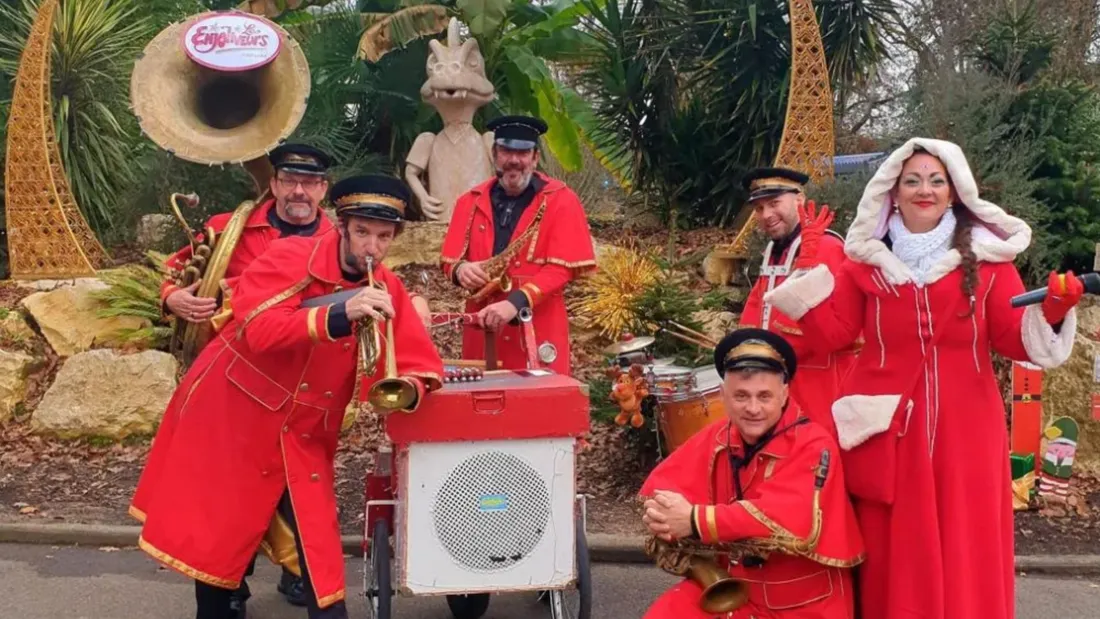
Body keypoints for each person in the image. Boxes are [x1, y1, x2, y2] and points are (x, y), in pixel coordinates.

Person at [762, 138, 1083, 619]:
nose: (924, 190)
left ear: (954, 192)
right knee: (892, 550)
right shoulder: (864, 263)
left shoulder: (989, 261)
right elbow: (835, 334)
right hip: (885, 434)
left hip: (966, 433)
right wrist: (803, 292)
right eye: (912, 180)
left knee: (965, 543)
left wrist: (1053, 312)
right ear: (893, 191)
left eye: (936, 180)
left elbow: (1015, 339)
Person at [130, 175, 444, 619]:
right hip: (233, 413)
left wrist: (407, 386)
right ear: (342, 227)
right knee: (217, 539)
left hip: (303, 432)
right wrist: (339, 313)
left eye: (383, 237)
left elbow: (418, 361)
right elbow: (258, 330)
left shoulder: (387, 286)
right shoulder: (290, 255)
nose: (371, 247)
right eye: (362, 233)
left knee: (318, 550)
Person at [640, 328, 864, 618]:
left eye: (765, 396)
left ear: (784, 395)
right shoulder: (718, 435)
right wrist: (660, 513)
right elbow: (660, 486)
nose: (753, 408)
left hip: (803, 604)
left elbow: (783, 516)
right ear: (723, 395)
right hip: (735, 591)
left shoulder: (814, 443)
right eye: (741, 396)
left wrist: (694, 520)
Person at [161, 143, 431, 341]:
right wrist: (171, 297)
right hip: (224, 349)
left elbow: (369, 277)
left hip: (302, 357)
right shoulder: (227, 227)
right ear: (274, 185)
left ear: (323, 189)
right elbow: (176, 268)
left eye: (311, 182)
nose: (299, 191)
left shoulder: (341, 241)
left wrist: (413, 300)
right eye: (289, 181)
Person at [440, 115, 596, 374]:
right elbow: (449, 261)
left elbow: (562, 270)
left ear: (535, 158)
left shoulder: (562, 200)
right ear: (494, 154)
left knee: (538, 406)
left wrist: (514, 303)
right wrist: (460, 270)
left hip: (538, 324)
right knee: (482, 404)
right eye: (506, 151)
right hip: (482, 324)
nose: (514, 160)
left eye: (523, 153)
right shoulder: (468, 201)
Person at [737, 167, 859, 438]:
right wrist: (744, 346)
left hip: (822, 385)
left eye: (774, 203)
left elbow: (830, 330)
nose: (766, 215)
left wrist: (765, 355)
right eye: (759, 208)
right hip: (783, 382)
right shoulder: (775, 252)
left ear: (799, 200)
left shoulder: (826, 247)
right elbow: (757, 306)